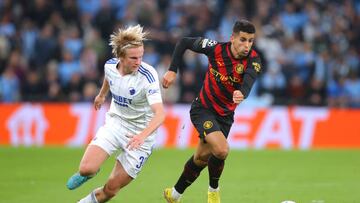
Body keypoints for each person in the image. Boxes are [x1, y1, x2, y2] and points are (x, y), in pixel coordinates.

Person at [162, 19, 262, 203]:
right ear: (232, 38)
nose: (246, 45)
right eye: (243, 39)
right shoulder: (215, 48)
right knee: (222, 150)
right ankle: (213, 192)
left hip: (225, 115)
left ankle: (174, 194)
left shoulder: (254, 59)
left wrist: (242, 93)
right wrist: (172, 70)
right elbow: (184, 41)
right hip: (203, 109)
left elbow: (249, 79)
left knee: (200, 158)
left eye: (250, 41)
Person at [66, 24, 165, 203]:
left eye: (141, 57)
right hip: (115, 124)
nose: (138, 62)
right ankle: (91, 172)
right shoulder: (110, 66)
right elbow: (109, 78)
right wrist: (102, 94)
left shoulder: (148, 75)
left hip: (140, 136)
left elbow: (160, 114)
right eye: (133, 58)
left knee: (111, 189)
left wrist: (142, 136)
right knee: (86, 169)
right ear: (120, 56)